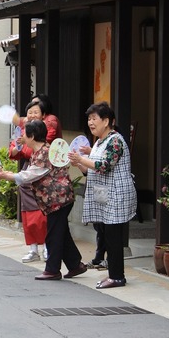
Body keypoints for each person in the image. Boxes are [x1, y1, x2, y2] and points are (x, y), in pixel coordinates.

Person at [0, 119, 86, 281]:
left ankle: (52, 270)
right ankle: (75, 265)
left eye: (24, 134)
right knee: (61, 233)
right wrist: (8, 175)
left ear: (32, 136)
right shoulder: (43, 151)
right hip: (59, 198)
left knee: (53, 235)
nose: (22, 137)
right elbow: (31, 173)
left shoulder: (44, 153)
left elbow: (30, 175)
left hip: (58, 199)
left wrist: (7, 176)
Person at [68, 102, 137, 289]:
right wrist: (79, 164)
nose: (90, 122)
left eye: (94, 118)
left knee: (114, 238)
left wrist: (82, 159)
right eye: (89, 119)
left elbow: (104, 165)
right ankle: (113, 275)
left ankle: (117, 277)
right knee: (107, 236)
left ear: (106, 121)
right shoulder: (99, 141)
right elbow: (91, 169)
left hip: (117, 196)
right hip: (106, 196)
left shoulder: (115, 140)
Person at [9, 99, 61, 262]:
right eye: (29, 112)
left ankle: (47, 247)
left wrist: (24, 146)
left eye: (36, 112)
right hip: (27, 170)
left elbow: (41, 143)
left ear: (44, 115)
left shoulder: (48, 126)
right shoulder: (22, 130)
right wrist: (19, 147)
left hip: (41, 176)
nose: (31, 116)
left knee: (43, 215)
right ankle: (33, 249)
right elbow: (12, 151)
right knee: (27, 215)